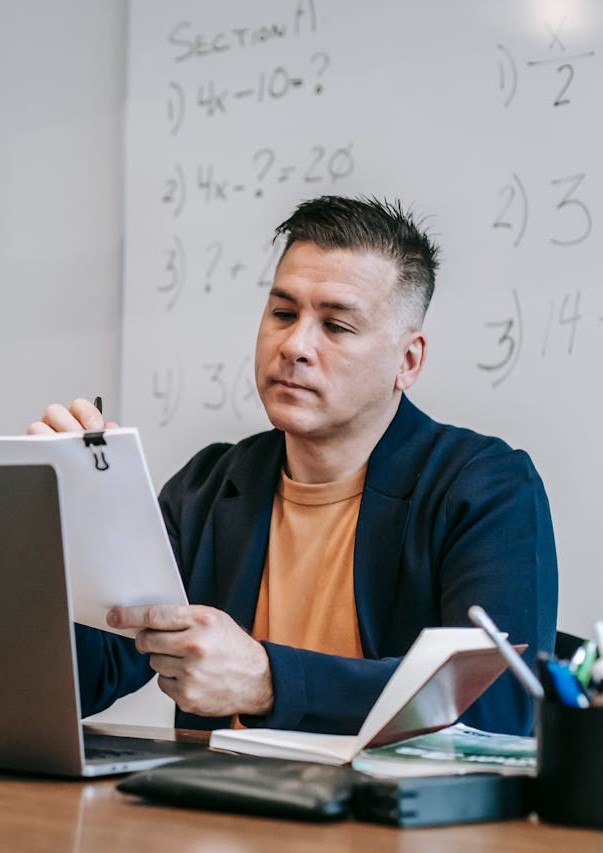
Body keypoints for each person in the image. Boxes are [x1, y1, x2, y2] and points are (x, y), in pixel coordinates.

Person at [29, 195, 557, 736]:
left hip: (386, 816)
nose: (294, 345)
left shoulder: (485, 488)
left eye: (336, 326)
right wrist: (76, 527)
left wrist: (270, 681)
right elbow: (83, 679)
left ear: (408, 361)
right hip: (212, 811)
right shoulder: (207, 489)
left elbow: (500, 708)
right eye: (283, 313)